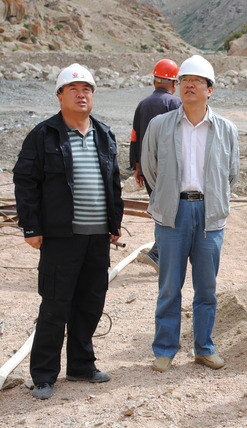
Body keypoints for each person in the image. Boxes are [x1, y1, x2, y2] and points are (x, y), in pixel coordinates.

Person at [13, 63, 123, 400]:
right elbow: (25, 181)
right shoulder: (43, 135)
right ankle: (44, 375)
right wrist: (31, 226)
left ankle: (81, 365)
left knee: (90, 302)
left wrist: (114, 224)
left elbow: (113, 182)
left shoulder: (104, 134)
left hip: (97, 236)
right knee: (55, 305)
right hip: (61, 236)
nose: (81, 94)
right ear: (59, 96)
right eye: (73, 89)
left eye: (87, 89)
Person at [141, 55, 239, 372]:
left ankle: (204, 348)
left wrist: (212, 198)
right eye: (184, 80)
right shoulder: (160, 126)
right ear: (178, 86)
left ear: (210, 89)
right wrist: (170, 196)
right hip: (174, 213)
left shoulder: (226, 129)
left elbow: (231, 173)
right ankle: (164, 349)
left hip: (210, 216)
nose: (190, 85)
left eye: (197, 81)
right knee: (170, 286)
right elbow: (150, 168)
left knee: (206, 289)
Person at [129, 59, 182, 272]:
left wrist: (137, 167)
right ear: (174, 82)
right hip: (169, 170)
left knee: (159, 209)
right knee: (172, 212)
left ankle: (160, 254)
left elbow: (135, 136)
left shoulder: (142, 105)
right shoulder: (175, 104)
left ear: (154, 81)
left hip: (148, 168)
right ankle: (158, 253)